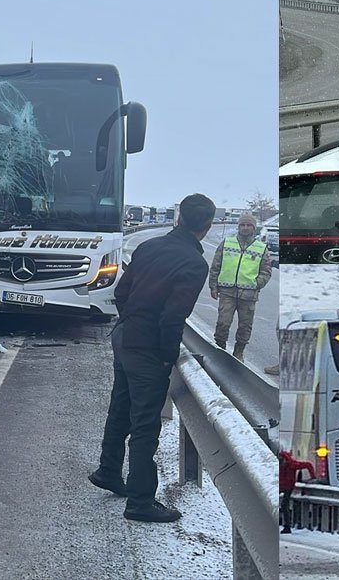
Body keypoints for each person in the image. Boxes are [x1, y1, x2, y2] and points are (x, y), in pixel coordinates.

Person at [90, 193, 216, 523]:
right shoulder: (194, 263)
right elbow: (173, 318)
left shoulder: (148, 248)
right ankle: (140, 502)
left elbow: (121, 293)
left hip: (125, 337)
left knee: (121, 407)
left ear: (178, 217)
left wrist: (131, 324)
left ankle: (108, 471)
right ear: (206, 226)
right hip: (148, 348)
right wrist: (166, 357)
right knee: (146, 424)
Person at [209, 213, 272, 361]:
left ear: (254, 228)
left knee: (245, 326)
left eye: (248, 225)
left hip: (249, 295)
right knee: (223, 323)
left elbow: (266, 271)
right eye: (242, 225)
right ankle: (219, 349)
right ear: (238, 226)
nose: (245, 228)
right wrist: (213, 286)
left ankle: (239, 352)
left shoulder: (261, 248)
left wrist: (257, 284)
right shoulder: (227, 243)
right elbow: (215, 266)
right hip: (227, 292)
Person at [279, 451, 314, 534]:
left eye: (281, 460)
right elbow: (308, 465)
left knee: (284, 504)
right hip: (283, 486)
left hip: (287, 487)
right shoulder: (289, 464)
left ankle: (287, 526)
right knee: (284, 505)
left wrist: (313, 476)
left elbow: (308, 464)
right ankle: (287, 525)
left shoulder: (292, 465)